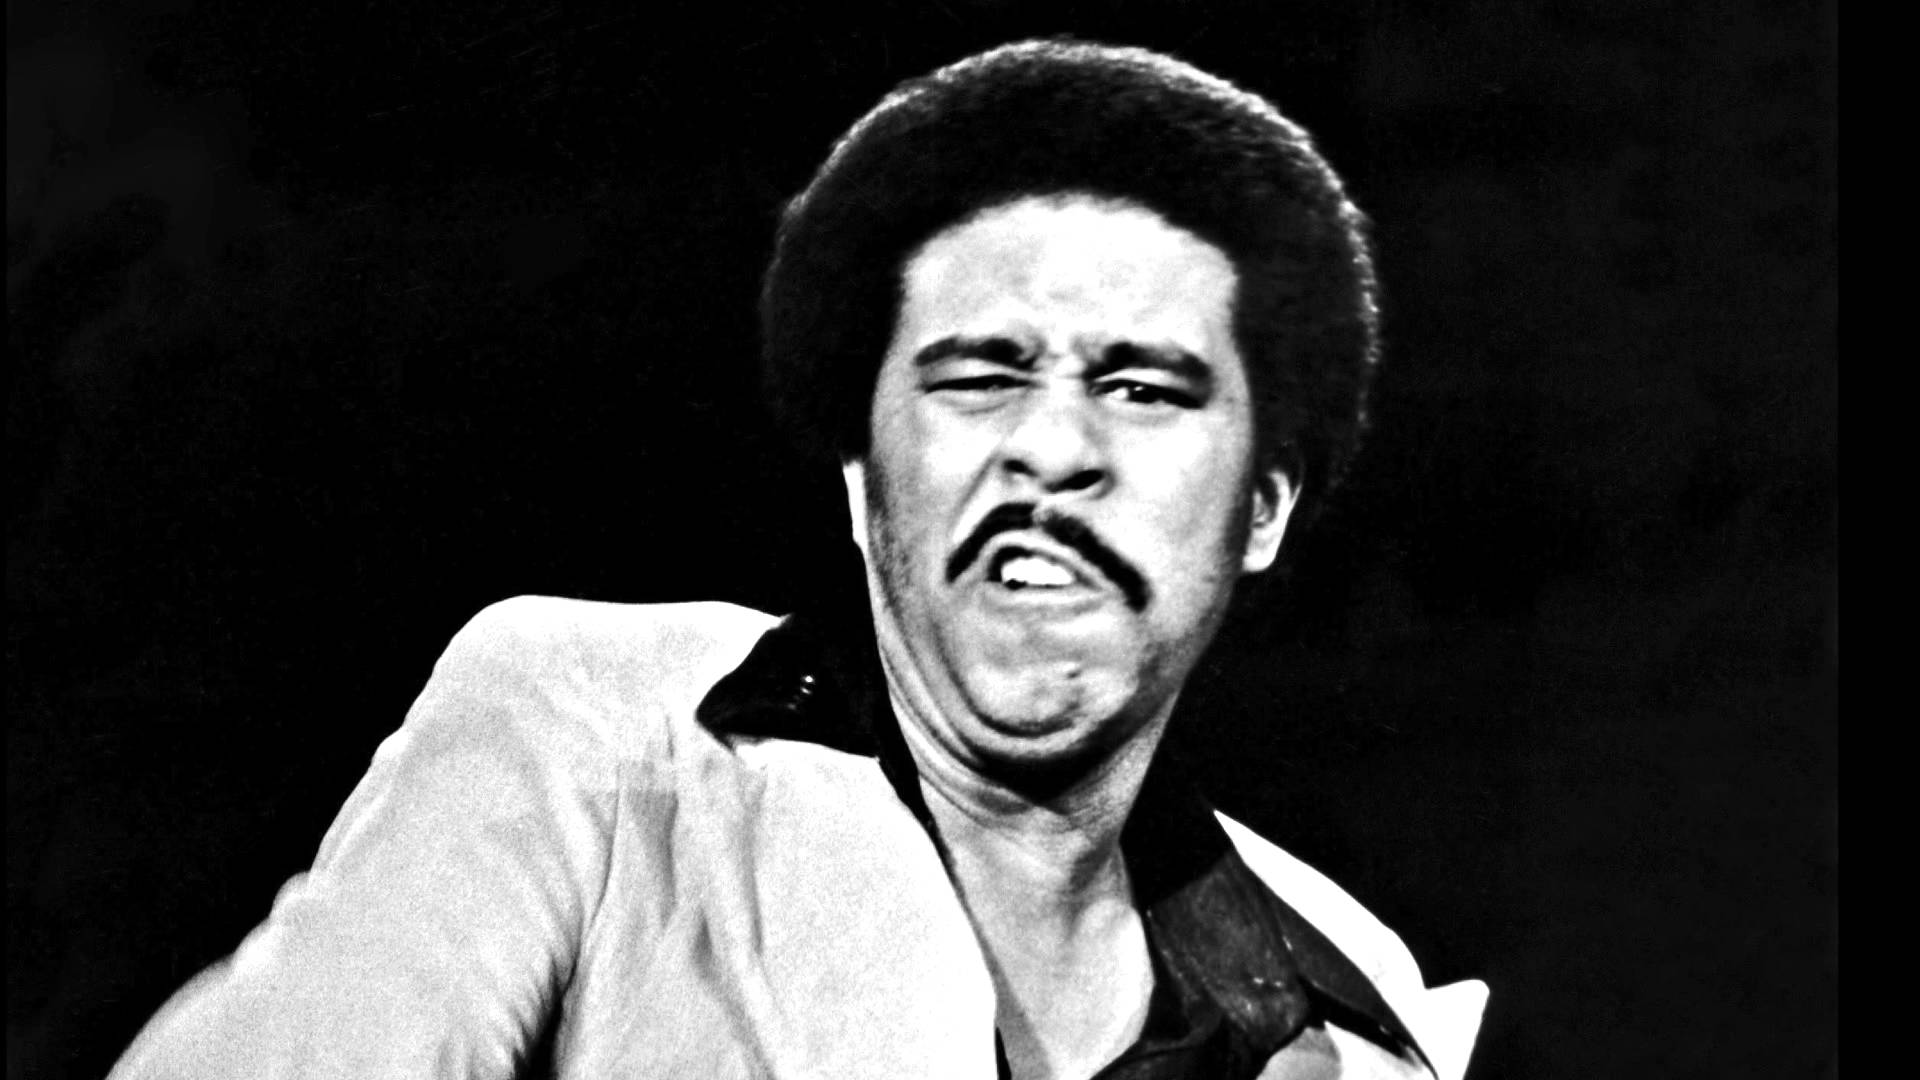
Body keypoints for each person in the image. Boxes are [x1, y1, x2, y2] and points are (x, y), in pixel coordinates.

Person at [111, 39, 1488, 1080]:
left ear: (1264, 509)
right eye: (980, 375)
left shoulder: (1351, 1003)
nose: (1051, 450)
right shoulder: (591, 738)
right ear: (862, 480)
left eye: (1140, 388)